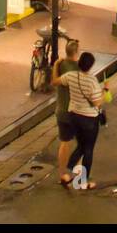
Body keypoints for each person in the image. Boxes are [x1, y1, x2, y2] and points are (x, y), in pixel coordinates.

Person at [60, 52, 105, 188]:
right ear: (90, 66)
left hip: (74, 116)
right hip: (89, 119)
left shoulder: (71, 76)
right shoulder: (92, 81)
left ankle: (68, 171)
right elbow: (97, 103)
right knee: (88, 149)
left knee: (81, 145)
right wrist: (106, 90)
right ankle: (83, 181)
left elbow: (57, 81)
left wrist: (57, 65)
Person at [50, 39, 82, 180]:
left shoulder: (61, 65)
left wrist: (56, 64)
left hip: (61, 110)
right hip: (76, 112)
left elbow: (54, 81)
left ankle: (63, 173)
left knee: (64, 142)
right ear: (76, 52)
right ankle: (78, 170)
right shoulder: (79, 68)